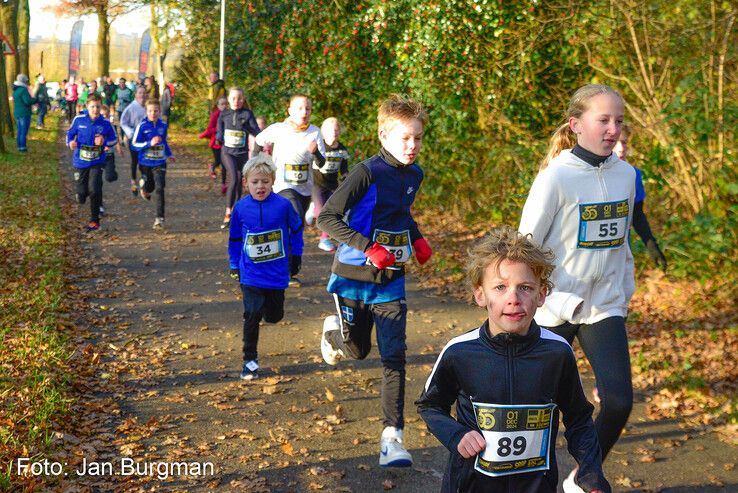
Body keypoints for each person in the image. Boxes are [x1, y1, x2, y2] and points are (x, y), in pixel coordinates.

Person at [416, 226, 610, 493]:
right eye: (500, 287)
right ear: (480, 294)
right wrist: (456, 435)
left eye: (525, 288)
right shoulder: (459, 352)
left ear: (541, 295)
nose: (513, 299)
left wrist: (590, 475)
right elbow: (429, 405)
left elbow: (579, 418)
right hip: (469, 487)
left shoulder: (557, 353)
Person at [517, 84, 634, 493]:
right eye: (603, 120)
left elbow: (621, 244)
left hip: (602, 307)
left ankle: (582, 475)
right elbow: (523, 250)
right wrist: (556, 299)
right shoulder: (557, 178)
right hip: (553, 308)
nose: (612, 129)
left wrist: (623, 292)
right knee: (534, 413)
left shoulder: (626, 175)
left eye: (618, 121)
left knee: (618, 401)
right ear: (576, 124)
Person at [317, 94, 433, 468]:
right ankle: (333, 336)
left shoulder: (414, 174)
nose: (412, 146)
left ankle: (392, 438)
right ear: (383, 135)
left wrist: (416, 238)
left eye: (417, 137)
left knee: (394, 357)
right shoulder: (365, 172)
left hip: (390, 280)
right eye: (405, 138)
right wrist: (368, 247)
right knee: (356, 351)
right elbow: (328, 218)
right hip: (353, 275)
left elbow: (401, 213)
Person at [227, 155, 304, 380]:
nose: (260, 186)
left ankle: (267, 312)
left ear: (273, 181)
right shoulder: (241, 208)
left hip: (276, 273)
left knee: (274, 316)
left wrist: (296, 255)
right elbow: (234, 239)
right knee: (251, 316)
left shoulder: (283, 205)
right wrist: (234, 264)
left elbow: (296, 230)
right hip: (250, 273)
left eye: (265, 182)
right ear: (246, 183)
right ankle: (249, 361)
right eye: (255, 182)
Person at [253, 95, 326, 279]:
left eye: (308, 108)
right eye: (300, 108)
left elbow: (322, 164)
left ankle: (291, 268)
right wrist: (254, 166)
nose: (304, 112)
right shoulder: (279, 129)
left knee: (295, 227)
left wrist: (315, 152)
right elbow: (259, 141)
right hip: (283, 187)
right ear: (290, 111)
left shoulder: (315, 133)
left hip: (305, 189)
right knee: (295, 219)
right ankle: (283, 269)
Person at [614, 125, 667, 270]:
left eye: (624, 142)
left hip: (621, 251)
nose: (621, 148)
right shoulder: (588, 174)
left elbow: (637, 215)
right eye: (616, 142)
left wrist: (651, 245)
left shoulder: (633, 174)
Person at [66, 94, 118, 231]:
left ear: (101, 107)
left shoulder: (105, 123)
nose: (95, 110)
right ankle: (81, 194)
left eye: (98, 107)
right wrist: (70, 143)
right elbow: (70, 134)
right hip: (80, 161)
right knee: (82, 194)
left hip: (97, 161)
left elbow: (115, 139)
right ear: (87, 107)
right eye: (92, 107)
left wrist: (104, 141)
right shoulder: (78, 120)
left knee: (95, 190)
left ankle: (94, 221)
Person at [215, 87, 261, 229]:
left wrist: (248, 127)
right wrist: (219, 138)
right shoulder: (224, 114)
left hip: (242, 153)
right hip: (227, 152)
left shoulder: (247, 114)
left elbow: (256, 131)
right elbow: (219, 130)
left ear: (243, 99)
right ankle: (228, 212)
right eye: (233, 98)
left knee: (240, 181)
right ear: (229, 99)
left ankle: (236, 211)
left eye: (239, 98)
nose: (236, 101)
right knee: (234, 178)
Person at [131, 99, 173, 229]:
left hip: (160, 162)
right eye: (150, 111)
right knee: (150, 187)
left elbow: (164, 142)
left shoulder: (163, 125)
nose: (153, 113)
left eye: (156, 111)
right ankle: (144, 188)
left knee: (160, 188)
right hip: (145, 163)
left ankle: (159, 218)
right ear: (146, 112)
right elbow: (134, 145)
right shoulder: (142, 126)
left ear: (159, 111)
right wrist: (149, 144)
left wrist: (169, 154)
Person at [310, 117, 349, 252]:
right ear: (323, 132)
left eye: (337, 129)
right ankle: (313, 209)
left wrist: (346, 178)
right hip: (317, 184)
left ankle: (324, 238)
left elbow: (344, 169)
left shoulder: (342, 149)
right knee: (321, 212)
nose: (334, 132)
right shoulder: (321, 146)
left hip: (332, 185)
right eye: (331, 130)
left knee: (334, 212)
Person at [119, 86, 148, 196]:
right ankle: (133, 181)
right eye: (140, 93)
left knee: (145, 161)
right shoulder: (131, 107)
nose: (142, 95)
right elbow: (123, 122)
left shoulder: (148, 107)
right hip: (134, 139)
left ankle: (144, 182)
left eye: (144, 93)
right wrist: (131, 133)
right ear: (135, 95)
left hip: (146, 140)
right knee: (135, 161)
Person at [198, 96, 227, 191]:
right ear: (218, 105)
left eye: (226, 104)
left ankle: (223, 184)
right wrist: (219, 129)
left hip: (226, 143)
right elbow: (209, 129)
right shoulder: (215, 115)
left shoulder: (229, 114)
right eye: (222, 104)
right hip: (216, 143)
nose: (224, 106)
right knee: (218, 161)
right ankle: (212, 167)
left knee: (224, 164)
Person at [12, 74, 36, 152]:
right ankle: (23, 148)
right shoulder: (23, 90)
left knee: (19, 131)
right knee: (23, 131)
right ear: (23, 81)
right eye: (26, 80)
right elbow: (27, 101)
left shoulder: (15, 90)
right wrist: (35, 99)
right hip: (24, 113)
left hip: (17, 113)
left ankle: (19, 146)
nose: (27, 82)